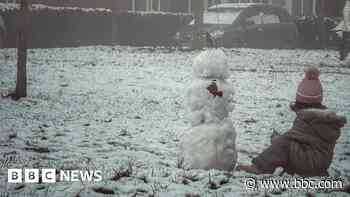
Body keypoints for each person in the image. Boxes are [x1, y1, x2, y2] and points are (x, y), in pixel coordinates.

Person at [237, 66, 347, 177]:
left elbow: (291, 137)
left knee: (284, 144)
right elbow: (303, 139)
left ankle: (259, 167)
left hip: (309, 162)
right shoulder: (326, 120)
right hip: (320, 163)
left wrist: (277, 140)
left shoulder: (307, 118)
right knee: (287, 145)